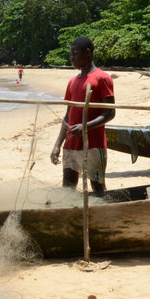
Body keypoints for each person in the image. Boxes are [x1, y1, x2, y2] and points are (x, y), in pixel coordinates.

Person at [50, 37, 115, 193]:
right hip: (71, 145)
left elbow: (110, 112)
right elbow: (68, 116)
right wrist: (57, 144)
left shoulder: (102, 78)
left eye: (75, 54)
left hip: (93, 145)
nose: (71, 58)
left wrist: (85, 127)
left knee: (97, 187)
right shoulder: (72, 81)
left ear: (88, 54)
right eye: (70, 55)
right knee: (68, 187)